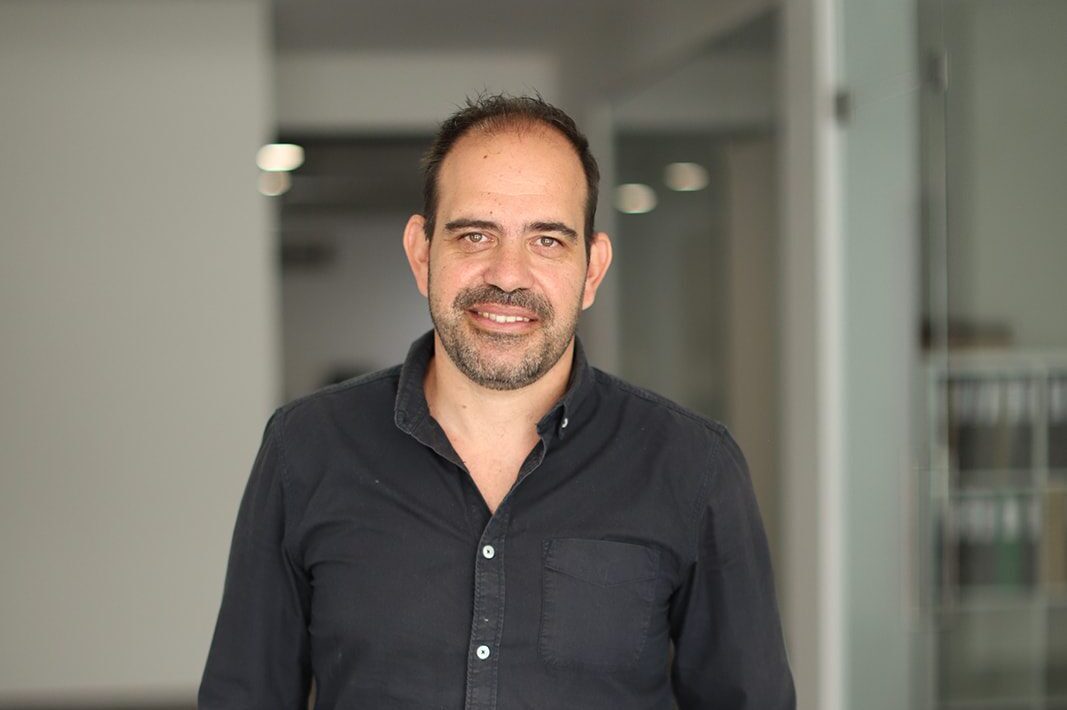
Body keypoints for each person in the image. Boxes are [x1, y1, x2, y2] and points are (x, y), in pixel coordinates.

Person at [199, 94, 795, 709]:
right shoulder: (306, 448)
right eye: (476, 235)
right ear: (422, 253)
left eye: (548, 240)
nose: (508, 275)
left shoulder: (693, 466)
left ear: (592, 270)